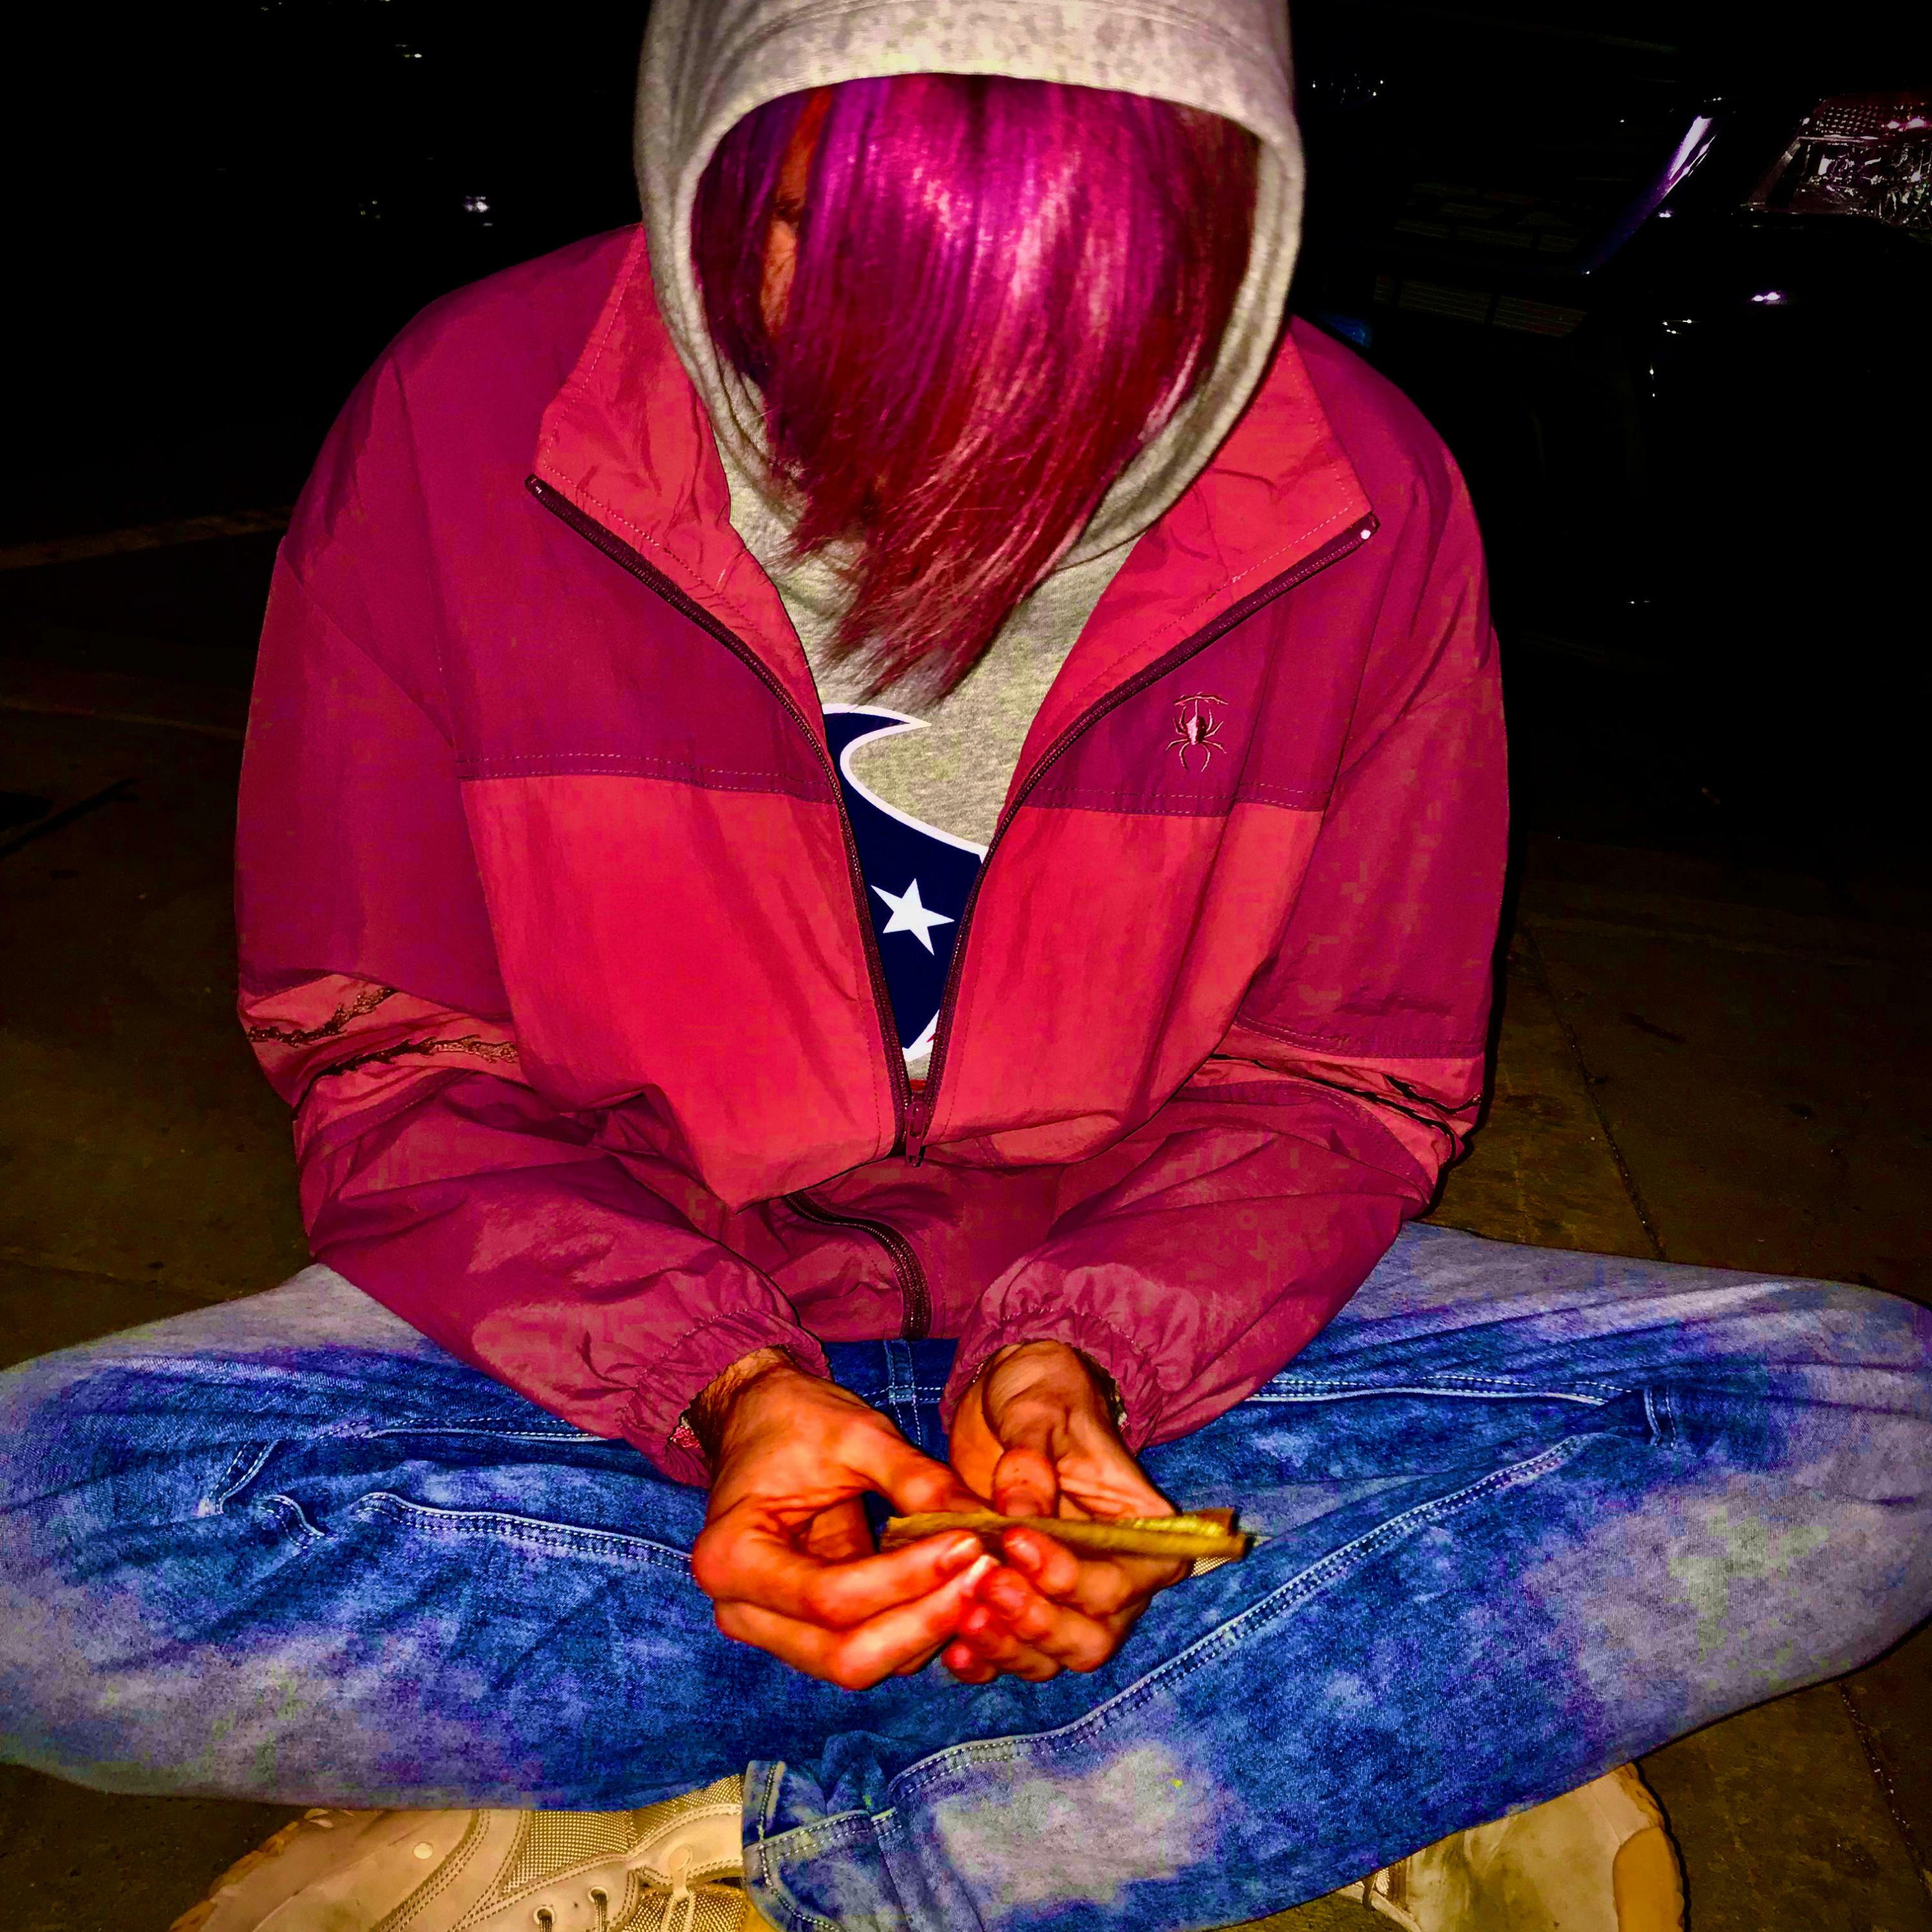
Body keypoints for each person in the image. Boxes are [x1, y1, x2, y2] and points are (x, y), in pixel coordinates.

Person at [3, 2, 1929, 1928]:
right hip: (620, 1325)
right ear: (703, 138)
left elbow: (1343, 1079)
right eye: (837, 255)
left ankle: (797, 1843)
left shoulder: (1365, 493)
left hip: (1171, 1333)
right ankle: (1279, 1719)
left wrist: (1090, 1352)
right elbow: (395, 1051)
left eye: (1098, 290)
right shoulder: (465, 415)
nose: (972, 393)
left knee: (1881, 1435)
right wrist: (718, 1386)